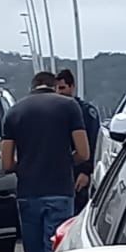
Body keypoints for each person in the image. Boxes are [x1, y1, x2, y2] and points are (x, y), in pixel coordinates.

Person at [2, 71, 92, 252]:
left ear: (33, 86)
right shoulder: (69, 107)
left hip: (28, 191)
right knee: (55, 251)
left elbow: (6, 163)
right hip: (60, 188)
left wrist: (25, 166)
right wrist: (67, 162)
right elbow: (84, 152)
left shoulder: (15, 111)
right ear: (53, 86)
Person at [55, 69, 100, 214]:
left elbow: (93, 142)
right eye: (56, 88)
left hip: (78, 174)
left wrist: (86, 172)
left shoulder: (85, 112)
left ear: (72, 87)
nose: (58, 92)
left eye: (62, 88)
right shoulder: (52, 111)